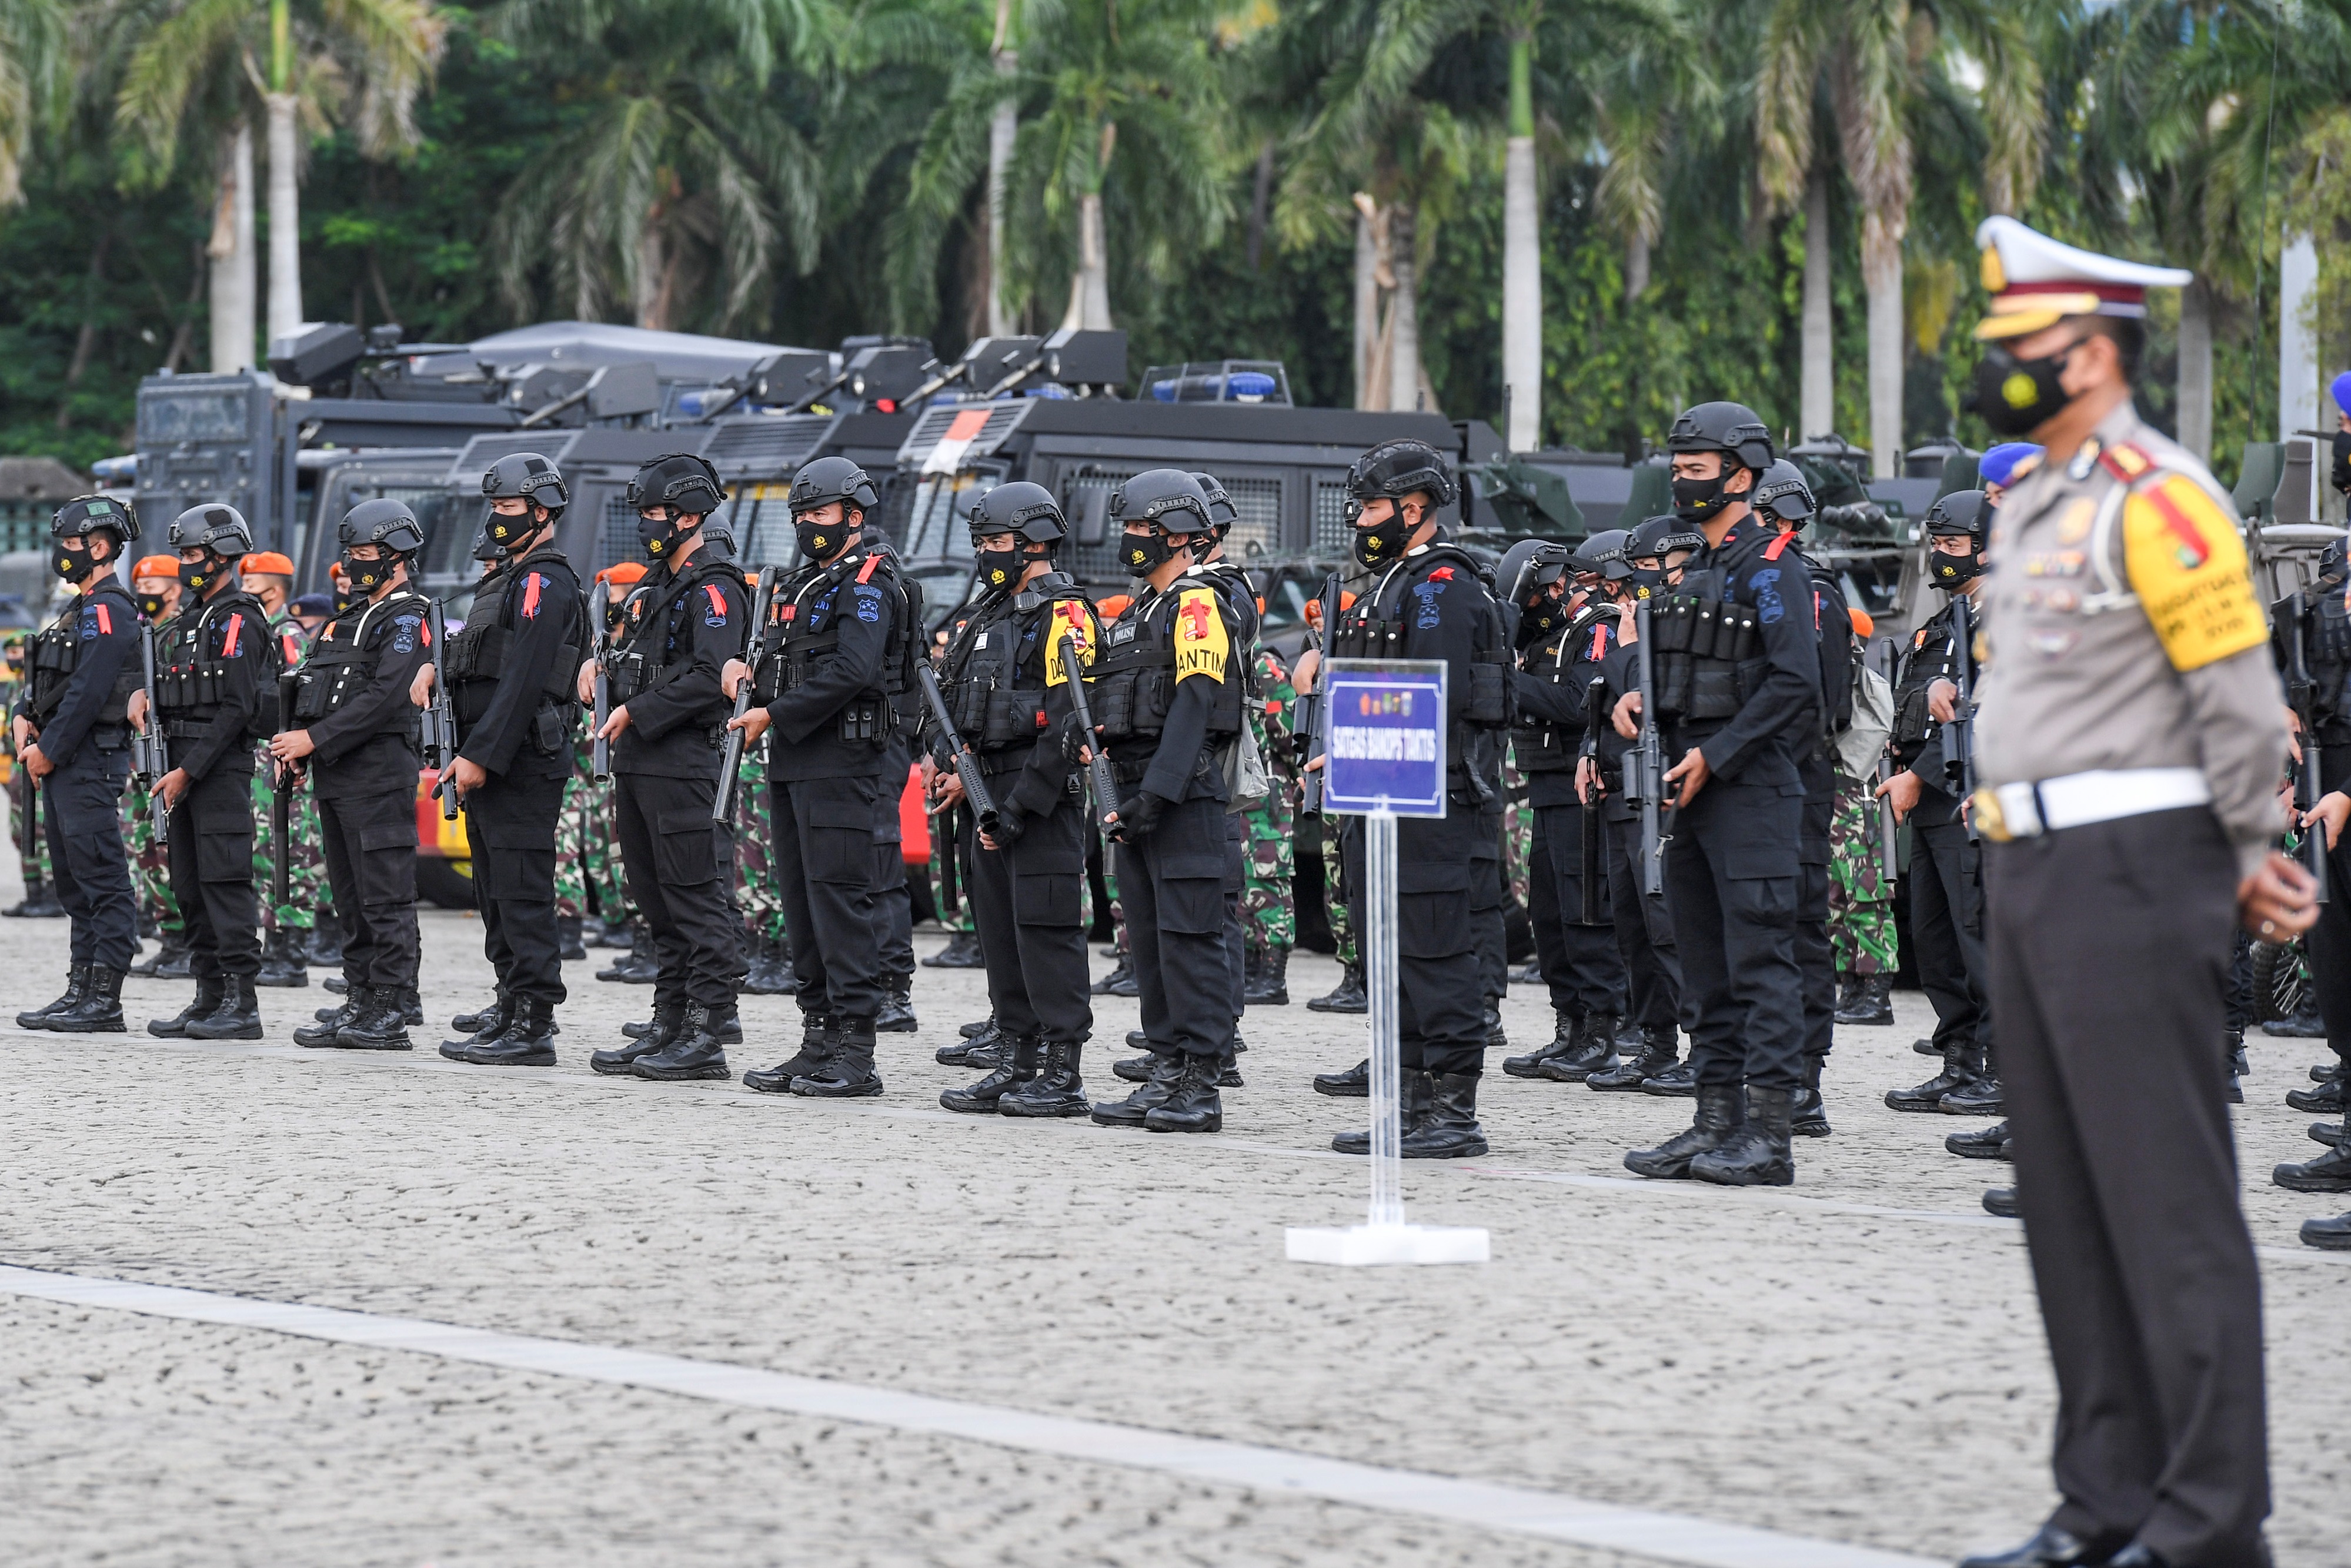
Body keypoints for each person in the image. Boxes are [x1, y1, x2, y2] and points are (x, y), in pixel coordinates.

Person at [1953, 216, 2312, 1568]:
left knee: (2164, 1208)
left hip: (2135, 862)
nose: (1997, 370)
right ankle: (2105, 1501)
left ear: (2091, 351)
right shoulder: (2041, 493)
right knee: (2069, 1202)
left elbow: (2234, 695)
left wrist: (2242, 850)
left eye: (2018, 348)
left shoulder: (2160, 495)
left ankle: (2212, 1527)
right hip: (2035, 864)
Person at [1614, 402, 1819, 1187]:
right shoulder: (1696, 567)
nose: (1680, 477)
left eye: (1696, 467)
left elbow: (1794, 680)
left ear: (1740, 473)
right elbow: (1678, 671)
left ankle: (1767, 1136)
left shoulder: (1769, 563)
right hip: (1689, 788)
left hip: (1751, 790)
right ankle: (1712, 1120)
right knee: (1704, 964)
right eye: (1678, 465)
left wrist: (1717, 753)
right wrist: (1632, 698)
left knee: (1760, 960)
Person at [1305, 440, 1512, 1157]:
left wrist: (1361, 736)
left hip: (1434, 802)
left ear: (1414, 509)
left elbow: (1437, 693)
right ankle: (1411, 1106)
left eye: (1369, 508)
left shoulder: (1442, 587)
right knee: (1390, 956)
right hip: (1383, 798)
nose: (1359, 521)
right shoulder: (1394, 584)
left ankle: (1453, 1113)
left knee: (1434, 953)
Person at [726, 456, 906, 1099]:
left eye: (819, 514)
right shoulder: (805, 582)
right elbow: (790, 663)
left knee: (838, 903)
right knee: (801, 905)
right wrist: (746, 682)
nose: (808, 525)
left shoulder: (866, 580)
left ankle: (856, 1050)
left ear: (853, 518)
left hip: (842, 760)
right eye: (800, 515)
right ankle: (817, 1039)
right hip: (795, 760)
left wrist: (772, 713)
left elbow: (855, 671)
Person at [925, 482, 1100, 1116]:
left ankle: (1062, 1074)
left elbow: (1069, 721)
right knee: (1000, 936)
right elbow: (951, 705)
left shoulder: (1065, 613)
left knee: (1046, 933)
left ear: (1036, 543)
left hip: (1039, 798)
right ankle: (1017, 1059)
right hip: (984, 794)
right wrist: (952, 766)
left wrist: (1018, 808)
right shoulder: (988, 614)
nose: (986, 554)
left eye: (996, 542)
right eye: (982, 543)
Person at [578, 454, 749, 1081]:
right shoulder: (656, 585)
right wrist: (598, 673)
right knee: (656, 903)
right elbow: (637, 661)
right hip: (641, 760)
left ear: (691, 514)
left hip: (683, 760)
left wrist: (637, 709)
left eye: (655, 515)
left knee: (694, 899)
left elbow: (712, 678)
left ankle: (706, 1032)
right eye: (644, 515)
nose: (648, 525)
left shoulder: (715, 586)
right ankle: (668, 1022)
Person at [1082, 470, 1244, 1134]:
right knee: (1149, 944)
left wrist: (1155, 794)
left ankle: (1199, 1086)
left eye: (1140, 530)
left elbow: (1196, 706)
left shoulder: (1197, 603)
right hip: (1135, 796)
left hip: (1180, 798)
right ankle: (1166, 1070)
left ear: (1178, 536)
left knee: (1189, 942)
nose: (1129, 540)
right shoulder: (1139, 612)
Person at [432, 453, 586, 1066]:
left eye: (507, 508)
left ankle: (533, 1021)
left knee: (520, 888)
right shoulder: (508, 578)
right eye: (493, 508)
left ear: (542, 513)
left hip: (519, 757)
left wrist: (480, 757)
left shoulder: (544, 580)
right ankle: (509, 998)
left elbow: (523, 682)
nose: (495, 519)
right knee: (494, 888)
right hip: (494, 757)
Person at [274, 501, 433, 1051]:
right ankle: (361, 997)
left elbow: (386, 696)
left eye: (365, 555)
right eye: (352, 555)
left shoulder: (410, 615)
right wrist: (297, 744)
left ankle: (389, 1008)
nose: (354, 565)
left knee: (383, 894)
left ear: (395, 555)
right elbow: (314, 688)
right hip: (336, 772)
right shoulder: (347, 619)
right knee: (349, 895)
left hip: (379, 771)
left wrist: (314, 739)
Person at [1877, 491, 2002, 1124]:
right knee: (1932, 937)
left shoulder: (2002, 619)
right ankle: (1959, 1060)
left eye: (1952, 546)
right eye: (1938, 545)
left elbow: (1989, 714)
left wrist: (1916, 779)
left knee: (1977, 934)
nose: (1940, 556)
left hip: (1965, 799)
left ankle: (2004, 1071)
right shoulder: (1944, 619)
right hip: (1926, 798)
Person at [140, 504, 276, 1040]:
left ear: (223, 556)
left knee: (225, 882)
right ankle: (208, 995)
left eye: (193, 555)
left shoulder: (240, 616)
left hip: (216, 769)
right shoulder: (190, 618)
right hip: (181, 768)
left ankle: (242, 1005)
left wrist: (187, 772)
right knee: (190, 887)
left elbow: (238, 707)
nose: (184, 564)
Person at [1500, 532, 1631, 1082]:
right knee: (1549, 916)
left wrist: (1506, 681)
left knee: (1584, 912)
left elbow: (1579, 702)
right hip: (1547, 787)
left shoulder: (1596, 627)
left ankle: (1601, 1033)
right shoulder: (1550, 636)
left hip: (1580, 790)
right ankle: (1568, 1028)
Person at [1749, 460, 1855, 1137]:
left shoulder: (1811, 592)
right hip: (1752, 778)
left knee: (1797, 929)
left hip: (1798, 776)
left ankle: (1804, 1081)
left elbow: (1827, 702)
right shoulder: (1749, 580)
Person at [11, 495, 143, 1032]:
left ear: (101, 546)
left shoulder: (110, 608)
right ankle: (79, 987)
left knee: (101, 877)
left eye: (72, 545)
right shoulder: (77, 608)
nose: (63, 555)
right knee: (72, 879)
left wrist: (49, 750)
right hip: (67, 760)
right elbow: (52, 678)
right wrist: (22, 714)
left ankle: (105, 998)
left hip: (89, 759)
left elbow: (90, 690)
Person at [1585, 514, 1698, 1092]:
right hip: (1619, 785)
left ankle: (1701, 1049)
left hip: (1664, 788)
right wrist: (1588, 752)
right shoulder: (1637, 622)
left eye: (1647, 573)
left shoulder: (1678, 623)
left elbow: (1649, 696)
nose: (1634, 588)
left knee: (1668, 925)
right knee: (1631, 924)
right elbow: (1603, 701)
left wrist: (1628, 649)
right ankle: (1656, 1044)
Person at [239, 550, 320, 988]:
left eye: (251, 586)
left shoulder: (285, 633)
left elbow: (296, 692)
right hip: (262, 757)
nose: (244, 593)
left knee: (290, 849)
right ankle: (275, 942)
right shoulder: (262, 631)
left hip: (283, 756)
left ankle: (291, 950)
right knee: (268, 851)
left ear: (273, 590)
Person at [123, 555, 189, 975]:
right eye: (141, 587)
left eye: (154, 587)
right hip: (138, 756)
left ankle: (188, 941)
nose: (145, 594)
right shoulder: (138, 633)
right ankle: (170, 938)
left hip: (172, 755)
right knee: (144, 849)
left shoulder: (184, 633)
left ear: (174, 590)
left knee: (174, 850)